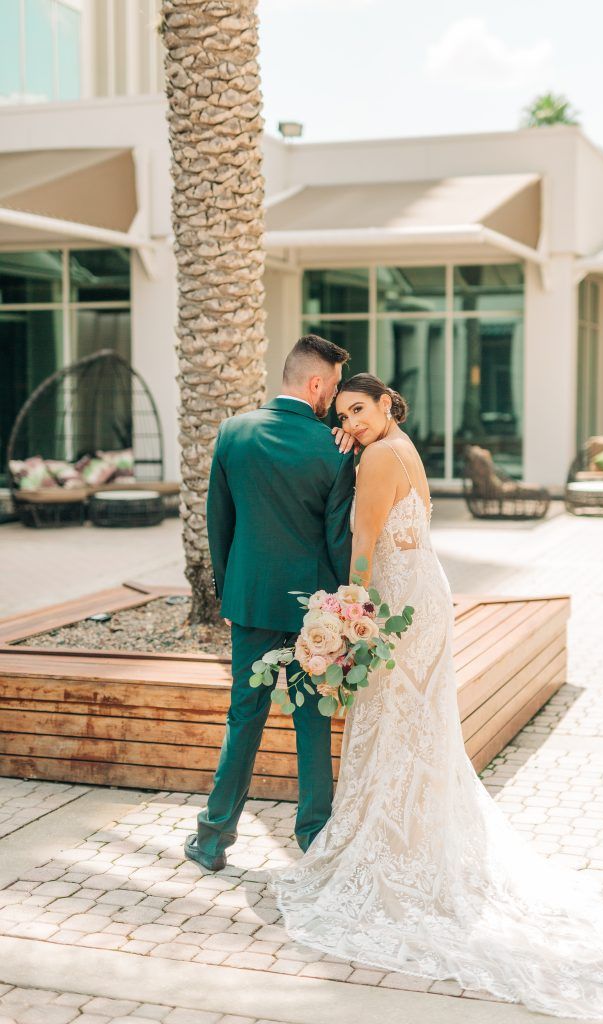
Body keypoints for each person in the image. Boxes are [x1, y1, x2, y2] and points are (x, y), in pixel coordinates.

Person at [269, 372, 603, 1020]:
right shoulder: (401, 446)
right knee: (416, 729)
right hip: (424, 596)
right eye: (341, 415)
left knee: (390, 726)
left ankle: (397, 857)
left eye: (359, 409)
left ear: (385, 402)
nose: (350, 423)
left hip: (394, 603)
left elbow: (362, 547)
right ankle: (417, 846)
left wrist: (348, 614)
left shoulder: (377, 457)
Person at [184, 335, 355, 871]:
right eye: (331, 387)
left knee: (244, 716)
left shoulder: (233, 433)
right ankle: (314, 843)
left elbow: (220, 523)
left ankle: (212, 840)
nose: (333, 400)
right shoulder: (335, 447)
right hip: (314, 614)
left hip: (252, 602)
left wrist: (229, 591)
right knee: (310, 721)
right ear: (316, 384)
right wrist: (345, 607)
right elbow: (337, 540)